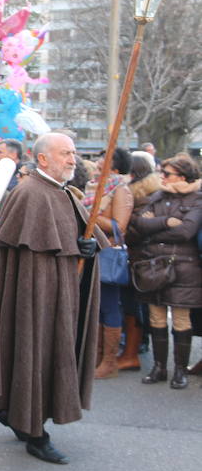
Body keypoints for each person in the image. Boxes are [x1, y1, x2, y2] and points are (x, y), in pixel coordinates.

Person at [0, 132, 104, 464]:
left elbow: (78, 237)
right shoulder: (29, 193)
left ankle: (19, 415)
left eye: (73, 153)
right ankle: (35, 432)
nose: (72, 159)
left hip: (60, 291)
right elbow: (18, 253)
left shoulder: (63, 192)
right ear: (43, 158)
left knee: (49, 351)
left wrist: (89, 246)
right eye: (65, 153)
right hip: (35, 295)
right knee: (35, 352)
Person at [126, 156, 202, 389]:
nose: (162, 177)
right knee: (156, 318)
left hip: (184, 268)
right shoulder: (157, 195)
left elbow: (186, 232)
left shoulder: (197, 198)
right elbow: (138, 224)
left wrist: (154, 227)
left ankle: (180, 371)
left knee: (180, 319)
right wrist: (167, 221)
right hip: (153, 266)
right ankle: (159, 367)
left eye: (167, 173)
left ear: (183, 176)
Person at [84, 148, 134, 379]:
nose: (97, 162)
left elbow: (119, 226)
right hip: (91, 252)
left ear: (115, 165)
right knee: (95, 305)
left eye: (103, 159)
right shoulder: (94, 187)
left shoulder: (120, 189)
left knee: (109, 306)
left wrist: (91, 214)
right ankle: (96, 356)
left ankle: (109, 361)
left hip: (108, 253)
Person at [118, 154, 162, 369]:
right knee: (140, 304)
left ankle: (136, 348)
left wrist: (128, 224)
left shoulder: (143, 196)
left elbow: (136, 229)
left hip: (142, 257)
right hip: (142, 257)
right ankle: (137, 346)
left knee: (137, 305)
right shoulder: (144, 193)